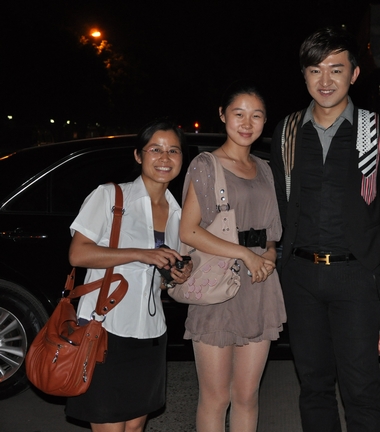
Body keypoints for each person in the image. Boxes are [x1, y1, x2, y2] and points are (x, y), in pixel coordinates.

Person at [269, 27, 380, 432]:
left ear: (354, 74)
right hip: (300, 276)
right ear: (304, 76)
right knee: (314, 386)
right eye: (315, 70)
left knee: (361, 389)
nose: (325, 80)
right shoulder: (287, 131)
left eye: (336, 69)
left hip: (356, 276)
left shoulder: (377, 131)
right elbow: (280, 204)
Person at [65, 119, 191, 432]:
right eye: (155, 149)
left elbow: (158, 279)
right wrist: (139, 253)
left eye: (173, 150)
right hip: (105, 329)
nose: (164, 158)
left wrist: (174, 276)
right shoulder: (110, 197)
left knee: (135, 427)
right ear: (138, 155)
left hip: (151, 333)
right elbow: (78, 254)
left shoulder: (178, 214)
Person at [179, 81, 286, 432]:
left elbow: (272, 231)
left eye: (256, 115)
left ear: (265, 121)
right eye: (238, 113)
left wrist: (269, 254)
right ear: (223, 115)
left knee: (247, 395)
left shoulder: (266, 168)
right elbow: (189, 231)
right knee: (215, 397)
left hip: (259, 286)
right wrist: (245, 255)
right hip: (219, 284)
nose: (246, 123)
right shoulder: (206, 165)